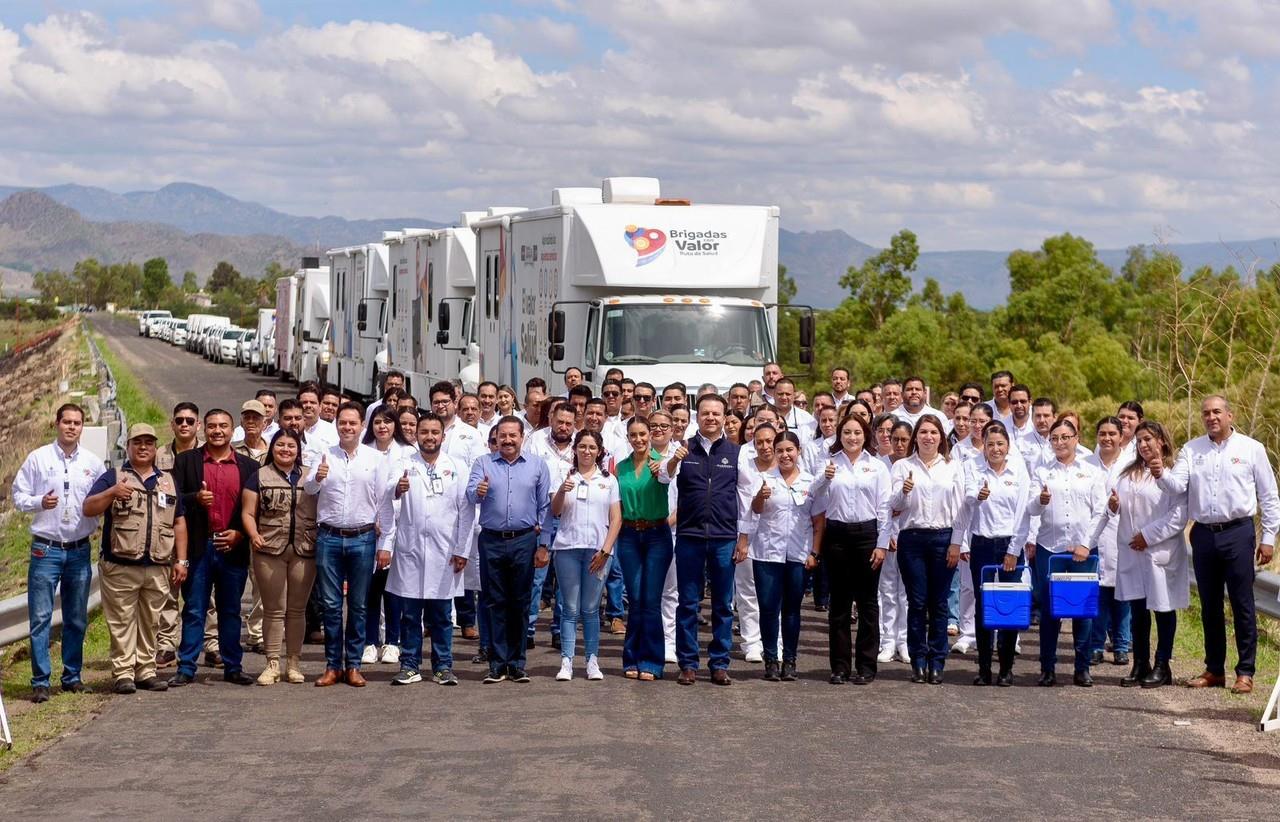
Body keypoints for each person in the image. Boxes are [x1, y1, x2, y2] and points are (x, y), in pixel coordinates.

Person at [1156, 396, 1279, 694]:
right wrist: (1160, 471)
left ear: (1230, 415)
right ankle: (1214, 670)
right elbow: (1177, 486)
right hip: (1203, 534)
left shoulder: (1251, 449)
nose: (1211, 417)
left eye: (1216, 412)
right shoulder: (1192, 449)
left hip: (1238, 532)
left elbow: (1269, 496)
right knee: (1210, 605)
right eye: (1206, 413)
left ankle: (1245, 672)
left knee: (1242, 604)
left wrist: (1268, 538)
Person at [83, 423, 188, 695]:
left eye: (149, 443)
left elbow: (178, 522)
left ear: (155, 448)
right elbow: (88, 508)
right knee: (121, 622)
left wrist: (181, 560)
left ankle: (146, 670)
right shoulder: (114, 476)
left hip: (157, 565)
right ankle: (123, 672)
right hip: (121, 565)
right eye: (137, 442)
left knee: (151, 620)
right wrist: (111, 493)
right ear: (128, 446)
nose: (143, 448)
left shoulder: (167, 480)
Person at [13, 403, 106, 701]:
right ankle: (40, 680)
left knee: (76, 616)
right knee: (41, 617)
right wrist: (40, 501)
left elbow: (102, 498)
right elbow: (18, 495)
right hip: (46, 549)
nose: (71, 427)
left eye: (77, 423)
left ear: (82, 427)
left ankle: (72, 676)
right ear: (57, 424)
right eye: (66, 422)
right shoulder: (38, 458)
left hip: (79, 549)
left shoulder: (93, 463)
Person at [376, 412, 475, 686]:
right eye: (424, 432)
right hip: (411, 551)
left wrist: (462, 549)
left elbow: (466, 511)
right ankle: (410, 665)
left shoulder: (456, 467)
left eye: (434, 432)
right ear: (415, 435)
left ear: (443, 436)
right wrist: (397, 488)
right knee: (410, 614)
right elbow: (385, 494)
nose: (429, 437)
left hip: (445, 553)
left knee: (441, 615)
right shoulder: (404, 463)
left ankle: (443, 666)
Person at [167, 408, 260, 688]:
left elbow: (258, 510)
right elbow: (170, 499)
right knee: (194, 609)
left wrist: (241, 534)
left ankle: (233, 666)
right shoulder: (185, 462)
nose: (217, 431)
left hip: (232, 547)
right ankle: (186, 667)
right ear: (202, 429)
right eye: (211, 426)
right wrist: (195, 497)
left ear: (233, 431)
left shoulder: (248, 467)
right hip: (198, 547)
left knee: (230, 610)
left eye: (223, 426)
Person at [303, 402, 393, 688]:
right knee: (331, 605)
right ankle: (332, 666)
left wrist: (386, 543)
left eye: (353, 423)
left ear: (361, 426)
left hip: (363, 537)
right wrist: (317, 478)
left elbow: (385, 504)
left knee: (358, 605)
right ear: (337, 425)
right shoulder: (324, 454)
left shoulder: (375, 459)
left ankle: (353, 664)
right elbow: (308, 488)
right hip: (329, 536)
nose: (347, 427)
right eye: (343, 422)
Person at [660, 394, 743, 686]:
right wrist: (672, 461)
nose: (711, 418)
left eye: (716, 414)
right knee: (688, 603)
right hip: (690, 536)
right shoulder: (682, 448)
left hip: (723, 537)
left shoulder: (736, 452)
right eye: (705, 413)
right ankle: (688, 664)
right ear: (698, 417)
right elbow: (661, 478)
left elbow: (742, 498)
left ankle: (719, 664)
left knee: (722, 604)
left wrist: (742, 537)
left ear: (724, 418)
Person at [1021, 417, 1108, 687]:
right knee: (1050, 610)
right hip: (1051, 549)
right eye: (1054, 438)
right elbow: (1031, 508)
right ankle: (1047, 667)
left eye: (1065, 437)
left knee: (1082, 610)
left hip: (1083, 550)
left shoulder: (1091, 471)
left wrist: (1085, 543)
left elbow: (1100, 510)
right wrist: (1040, 500)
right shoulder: (1043, 472)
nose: (1059, 442)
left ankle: (1082, 667)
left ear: (1076, 438)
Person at [467, 416, 551, 683]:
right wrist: (479, 491)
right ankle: (497, 662)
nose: (507, 440)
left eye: (512, 435)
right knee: (494, 601)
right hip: (491, 540)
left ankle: (516, 663)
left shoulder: (537, 465)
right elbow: (470, 495)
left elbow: (545, 509)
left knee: (520, 601)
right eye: (502, 435)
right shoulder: (483, 463)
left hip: (524, 540)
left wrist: (544, 545)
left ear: (521, 437)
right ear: (496, 438)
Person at [810, 414, 891, 684]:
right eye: (847, 433)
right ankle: (841, 666)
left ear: (865, 435)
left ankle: (866, 666)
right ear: (839, 435)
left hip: (867, 534)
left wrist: (881, 544)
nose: (852, 438)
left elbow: (884, 508)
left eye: (857, 433)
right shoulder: (830, 463)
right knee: (840, 604)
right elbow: (812, 496)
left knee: (868, 603)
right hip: (837, 536)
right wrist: (823, 478)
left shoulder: (877, 466)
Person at [1110, 420, 1189, 688]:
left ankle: (1162, 665)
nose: (1143, 445)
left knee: (1163, 608)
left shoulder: (1174, 472)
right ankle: (1140, 663)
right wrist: (1114, 506)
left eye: (1149, 439)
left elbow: (1178, 515)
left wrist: (1148, 536)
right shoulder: (1128, 472)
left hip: (1159, 549)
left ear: (1162, 442)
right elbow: (1120, 506)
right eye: (1140, 440)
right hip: (1132, 550)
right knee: (1138, 608)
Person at [743, 432, 825, 681]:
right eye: (780, 450)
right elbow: (755, 510)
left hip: (798, 554)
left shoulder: (810, 482)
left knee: (791, 609)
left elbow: (818, 521)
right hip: (767, 553)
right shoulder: (764, 479)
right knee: (768, 609)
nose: (785, 455)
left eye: (790, 450)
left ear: (798, 451)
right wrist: (759, 497)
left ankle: (789, 660)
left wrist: (815, 552)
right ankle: (771, 660)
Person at [890, 416, 964, 684]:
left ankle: (937, 661)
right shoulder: (902, 466)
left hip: (943, 537)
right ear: (915, 437)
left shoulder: (952, 467)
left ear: (941, 437)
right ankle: (918, 660)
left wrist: (957, 543)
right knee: (917, 601)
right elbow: (893, 504)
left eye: (933, 432)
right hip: (912, 538)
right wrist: (905, 492)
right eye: (923, 432)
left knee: (940, 602)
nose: (928, 437)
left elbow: (960, 509)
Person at [240, 429, 317, 685]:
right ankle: (272, 663)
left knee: (296, 609)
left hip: (304, 550)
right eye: (280, 445)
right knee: (273, 609)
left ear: (298, 449)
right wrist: (253, 534)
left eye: (291, 446)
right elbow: (248, 512)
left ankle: (293, 662)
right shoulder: (259, 476)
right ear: (272, 447)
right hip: (269, 549)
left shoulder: (310, 476)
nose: (286, 450)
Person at [954, 421, 1027, 686]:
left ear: (1008, 446)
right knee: (983, 606)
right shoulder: (972, 468)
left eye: (1000, 444)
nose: (995, 449)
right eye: (990, 444)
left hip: (1009, 544)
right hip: (982, 544)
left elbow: (1022, 515)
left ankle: (1006, 667)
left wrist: (1013, 550)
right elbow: (967, 500)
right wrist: (978, 496)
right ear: (983, 446)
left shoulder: (1018, 471)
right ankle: (984, 667)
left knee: (1007, 606)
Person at [544, 430, 620, 681]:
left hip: (597, 550)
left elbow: (616, 518)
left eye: (592, 447)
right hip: (567, 548)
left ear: (599, 451)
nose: (587, 451)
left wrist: (606, 550)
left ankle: (592, 660)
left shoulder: (608, 480)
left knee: (589, 608)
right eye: (582, 446)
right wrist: (562, 491)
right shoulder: (566, 476)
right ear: (575, 449)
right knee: (569, 607)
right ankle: (567, 660)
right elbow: (555, 511)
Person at [614, 417, 674, 681]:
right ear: (628, 438)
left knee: (650, 600)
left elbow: (669, 474)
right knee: (635, 599)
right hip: (628, 534)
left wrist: (667, 464)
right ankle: (632, 658)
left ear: (650, 435)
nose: (638, 439)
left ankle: (651, 661)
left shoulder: (659, 464)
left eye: (643, 434)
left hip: (657, 535)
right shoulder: (621, 467)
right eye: (633, 435)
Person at [360, 405, 413, 666]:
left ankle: (393, 641)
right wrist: (373, 520)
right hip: (369, 528)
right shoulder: (362, 451)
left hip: (400, 530)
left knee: (393, 590)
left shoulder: (408, 453)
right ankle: (369, 642)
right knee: (370, 589)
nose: (382, 427)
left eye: (388, 422)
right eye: (377, 422)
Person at [1086, 416, 1131, 668]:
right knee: (1098, 593)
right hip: (1093, 535)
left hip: (1120, 533)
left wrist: (1118, 505)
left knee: (1121, 594)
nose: (1107, 438)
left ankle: (1122, 645)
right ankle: (1095, 645)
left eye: (1112, 433)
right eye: (1102, 433)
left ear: (1121, 436)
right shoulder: (1088, 464)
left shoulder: (1129, 464)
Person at [734, 422, 779, 664]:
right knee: (747, 592)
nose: (765, 446)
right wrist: (742, 537)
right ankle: (751, 642)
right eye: (759, 442)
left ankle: (775, 641)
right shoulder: (744, 466)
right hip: (747, 536)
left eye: (769, 441)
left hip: (779, 539)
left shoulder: (786, 467)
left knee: (774, 595)